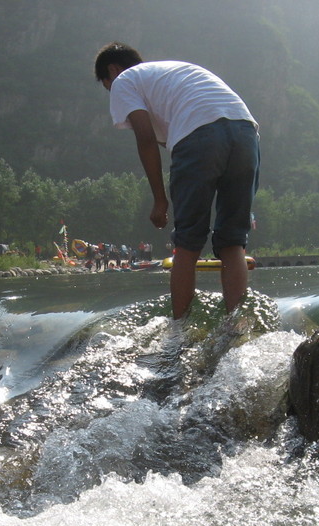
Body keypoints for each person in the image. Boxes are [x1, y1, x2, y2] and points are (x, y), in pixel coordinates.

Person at [94, 43, 260, 319]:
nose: (112, 93)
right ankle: (236, 328)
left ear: (112, 70)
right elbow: (168, 139)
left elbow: (146, 138)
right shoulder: (172, 74)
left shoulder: (125, 79)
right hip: (246, 133)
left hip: (200, 135)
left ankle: (179, 332)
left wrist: (160, 199)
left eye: (106, 86)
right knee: (233, 241)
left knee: (187, 243)